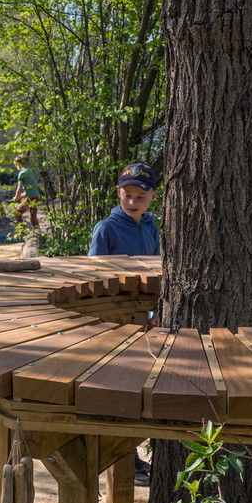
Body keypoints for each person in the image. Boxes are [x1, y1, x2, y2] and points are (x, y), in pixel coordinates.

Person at [88, 162, 161, 485]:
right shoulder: (106, 228)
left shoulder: (151, 227)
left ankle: (137, 455)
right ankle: (123, 460)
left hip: (146, 321)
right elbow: (94, 277)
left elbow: (157, 271)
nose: (133, 202)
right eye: (127, 195)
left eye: (140, 197)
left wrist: (156, 310)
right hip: (116, 320)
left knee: (143, 384)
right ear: (118, 193)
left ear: (153, 197)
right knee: (117, 385)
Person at [10, 154, 43, 229]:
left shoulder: (22, 173)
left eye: (16, 165)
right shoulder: (30, 171)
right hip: (37, 196)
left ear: (18, 164)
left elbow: (19, 188)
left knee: (17, 214)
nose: (16, 167)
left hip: (29, 198)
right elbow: (31, 189)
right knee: (33, 217)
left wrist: (16, 198)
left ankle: (23, 231)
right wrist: (19, 196)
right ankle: (38, 232)